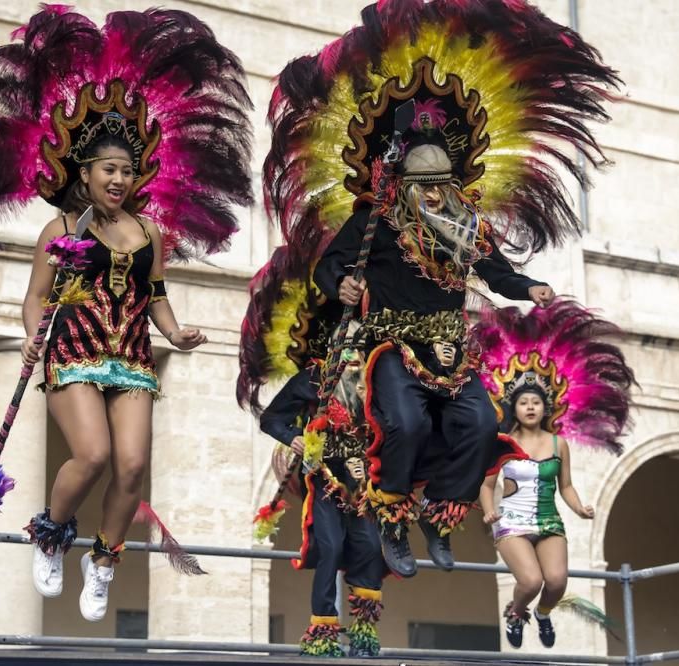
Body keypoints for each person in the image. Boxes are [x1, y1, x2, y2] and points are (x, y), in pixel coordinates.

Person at [260, 0, 619, 578]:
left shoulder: (466, 228)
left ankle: (437, 514)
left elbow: (496, 272)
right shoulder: (372, 220)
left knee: (480, 424)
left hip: (451, 347)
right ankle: (392, 519)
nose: (430, 194)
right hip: (388, 346)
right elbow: (328, 269)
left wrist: (532, 287)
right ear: (403, 182)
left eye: (439, 183)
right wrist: (343, 285)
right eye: (420, 184)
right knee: (402, 422)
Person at [0, 6, 252, 621]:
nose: (119, 179)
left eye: (126, 170)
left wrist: (177, 332)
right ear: (86, 173)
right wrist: (30, 337)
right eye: (108, 170)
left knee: (132, 465)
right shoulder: (62, 227)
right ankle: (50, 532)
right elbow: (36, 294)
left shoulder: (150, 230)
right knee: (92, 455)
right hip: (71, 353)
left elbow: (154, 296)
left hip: (131, 356)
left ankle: (103, 560)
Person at [471, 301, 635, 648]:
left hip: (549, 519)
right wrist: (489, 510)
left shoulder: (559, 444)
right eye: (524, 402)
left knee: (557, 582)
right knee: (530, 582)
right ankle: (516, 612)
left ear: (546, 407)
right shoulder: (501, 443)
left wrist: (580, 508)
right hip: (512, 522)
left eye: (535, 402)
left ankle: (542, 614)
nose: (530, 407)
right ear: (513, 407)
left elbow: (567, 486)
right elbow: (486, 486)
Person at [259, 357, 387, 657]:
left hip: (364, 482)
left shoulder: (380, 376)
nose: (356, 354)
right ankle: (323, 634)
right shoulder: (314, 378)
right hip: (324, 478)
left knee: (369, 546)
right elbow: (272, 419)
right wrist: (295, 437)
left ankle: (364, 634)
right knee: (330, 547)